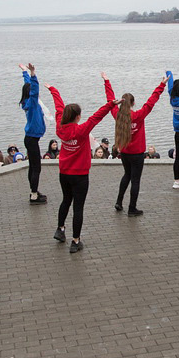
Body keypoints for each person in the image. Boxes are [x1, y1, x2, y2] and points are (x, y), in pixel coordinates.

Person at [46, 83, 116, 253]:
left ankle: (60, 229)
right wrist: (111, 104)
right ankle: (75, 241)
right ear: (77, 117)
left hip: (64, 173)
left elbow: (58, 108)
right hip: (80, 175)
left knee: (65, 200)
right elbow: (96, 117)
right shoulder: (82, 131)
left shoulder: (60, 128)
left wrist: (53, 90)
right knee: (78, 207)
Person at [104, 72, 166, 216]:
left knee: (127, 175)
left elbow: (110, 101)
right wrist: (161, 85)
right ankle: (132, 208)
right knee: (135, 180)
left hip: (124, 152)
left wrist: (107, 82)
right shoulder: (138, 115)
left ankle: (119, 202)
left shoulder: (117, 115)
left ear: (121, 103)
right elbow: (151, 101)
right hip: (137, 154)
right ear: (133, 103)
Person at [19, 63, 48, 205]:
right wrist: (33, 73)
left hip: (30, 138)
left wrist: (25, 73)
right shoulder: (33, 102)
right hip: (32, 139)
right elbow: (34, 89)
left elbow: (28, 86)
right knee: (37, 168)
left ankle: (33, 191)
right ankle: (34, 195)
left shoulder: (27, 101)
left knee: (32, 166)